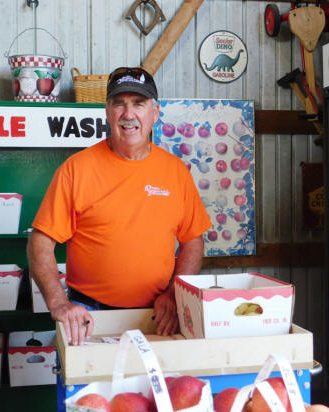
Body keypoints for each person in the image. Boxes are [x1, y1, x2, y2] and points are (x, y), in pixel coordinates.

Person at [27, 66, 211, 346]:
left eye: (139, 104)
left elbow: (193, 240)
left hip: (158, 316)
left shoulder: (175, 171)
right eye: (119, 104)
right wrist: (58, 303)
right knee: (88, 378)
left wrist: (175, 295)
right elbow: (40, 241)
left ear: (155, 112)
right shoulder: (76, 170)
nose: (128, 114)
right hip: (88, 316)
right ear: (107, 111)